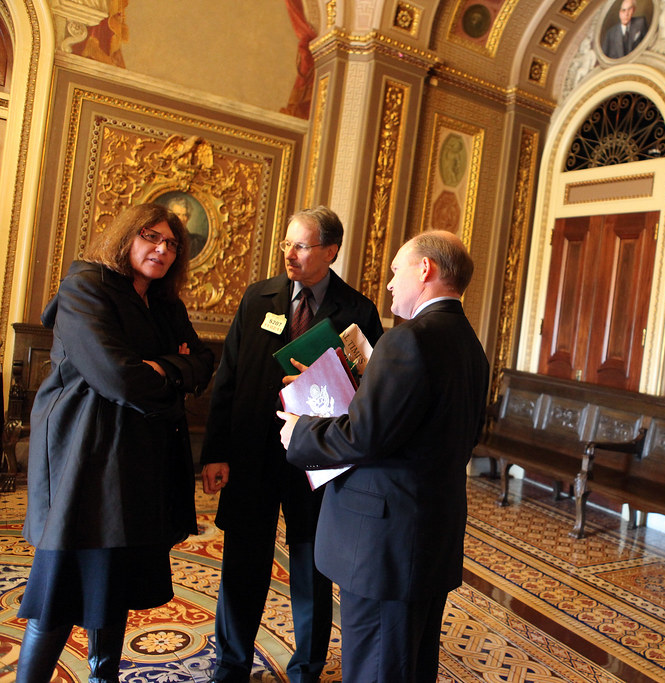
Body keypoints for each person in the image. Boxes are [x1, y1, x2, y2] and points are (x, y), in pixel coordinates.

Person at [278, 230, 490, 683]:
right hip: (430, 532)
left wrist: (299, 431)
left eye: (397, 271)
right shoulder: (470, 345)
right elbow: (437, 431)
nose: (390, 283)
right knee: (411, 666)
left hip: (384, 542)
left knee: (376, 669)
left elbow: (364, 437)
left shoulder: (408, 339)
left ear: (425, 269)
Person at [16, 204, 214, 683]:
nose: (162, 250)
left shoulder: (167, 304)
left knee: (116, 585)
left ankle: (103, 677)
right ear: (127, 237)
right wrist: (170, 367)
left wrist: (164, 367)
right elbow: (117, 377)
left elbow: (203, 362)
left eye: (172, 245)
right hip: (86, 460)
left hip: (141, 463)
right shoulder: (87, 285)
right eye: (152, 237)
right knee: (60, 594)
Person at [200, 206, 383, 683]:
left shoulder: (359, 310)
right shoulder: (259, 297)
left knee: (312, 568)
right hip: (252, 454)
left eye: (301, 246)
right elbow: (229, 378)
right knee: (242, 564)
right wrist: (215, 451)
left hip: (318, 460)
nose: (290, 254)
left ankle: (307, 668)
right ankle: (231, 664)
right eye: (286, 244)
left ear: (330, 251)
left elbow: (370, 390)